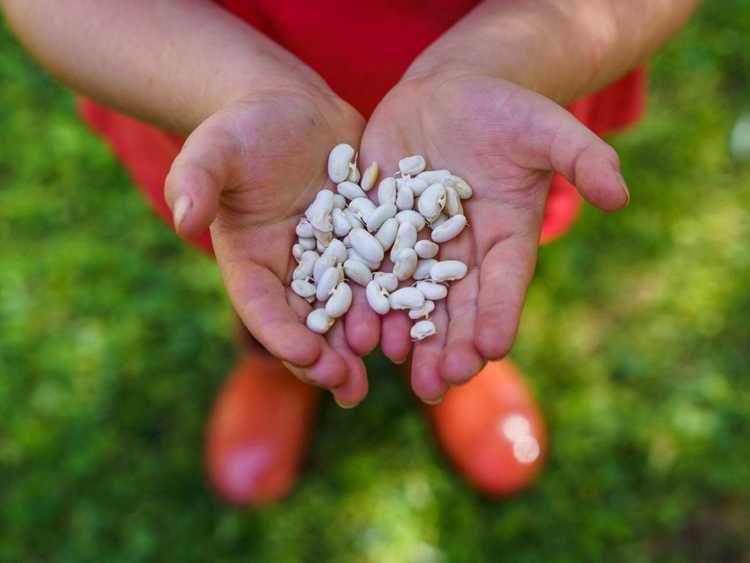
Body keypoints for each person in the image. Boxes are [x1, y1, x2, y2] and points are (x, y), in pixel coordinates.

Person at [2, 0, 699, 504]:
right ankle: (276, 361)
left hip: (505, 70)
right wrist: (247, 88)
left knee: (473, 248)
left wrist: (507, 56)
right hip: (207, 67)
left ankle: (469, 361)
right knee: (269, 242)